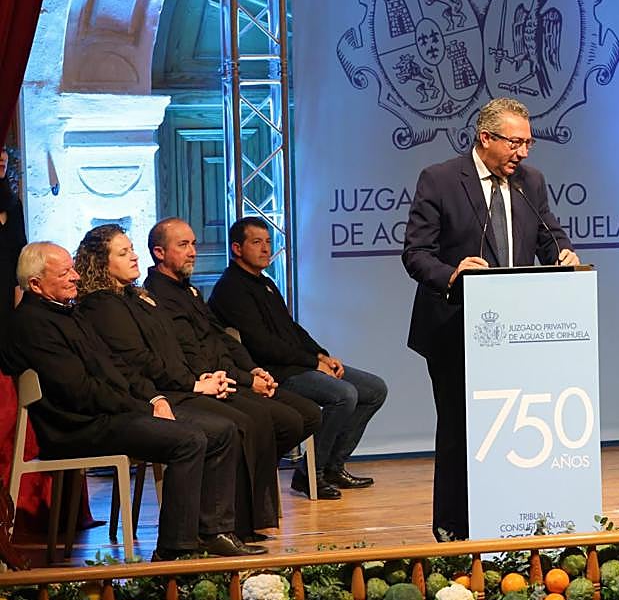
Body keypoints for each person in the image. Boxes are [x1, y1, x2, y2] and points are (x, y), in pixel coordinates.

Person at [0, 243, 264, 559]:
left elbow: (115, 367)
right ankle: (174, 550)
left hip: (109, 414)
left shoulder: (67, 312)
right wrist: (144, 408)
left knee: (222, 430)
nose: (75, 277)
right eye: (65, 272)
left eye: (73, 268)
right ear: (36, 284)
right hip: (75, 427)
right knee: (189, 440)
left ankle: (213, 532)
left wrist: (155, 398)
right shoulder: (32, 324)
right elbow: (79, 391)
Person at [403, 97, 579, 540]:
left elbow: (547, 232)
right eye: (515, 143)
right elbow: (416, 254)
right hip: (454, 325)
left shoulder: (530, 182)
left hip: (517, 331)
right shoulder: (441, 180)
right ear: (486, 138)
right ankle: (452, 525)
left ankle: (510, 514)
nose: (522, 153)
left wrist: (561, 255)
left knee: (512, 426)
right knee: (460, 427)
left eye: (528, 143)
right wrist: (453, 274)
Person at [73, 224, 281, 538]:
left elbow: (174, 348)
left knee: (252, 418)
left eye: (131, 249)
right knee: (230, 426)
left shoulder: (134, 297)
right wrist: (194, 384)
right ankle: (215, 530)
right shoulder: (102, 305)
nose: (134, 257)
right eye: (123, 252)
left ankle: (234, 526)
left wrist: (206, 377)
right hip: (152, 396)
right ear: (102, 262)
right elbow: (137, 360)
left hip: (176, 386)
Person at [208, 216, 388, 500]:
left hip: (297, 363)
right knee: (344, 394)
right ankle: (308, 474)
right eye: (256, 243)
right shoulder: (230, 289)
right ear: (237, 249)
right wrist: (312, 363)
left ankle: (332, 466)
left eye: (268, 242)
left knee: (374, 389)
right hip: (271, 372)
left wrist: (321, 355)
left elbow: (290, 328)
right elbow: (262, 345)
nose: (266, 249)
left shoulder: (265, 283)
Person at [143, 218, 321, 467]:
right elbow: (195, 357)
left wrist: (253, 370)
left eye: (194, 244)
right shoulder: (158, 297)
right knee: (278, 421)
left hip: (233, 376)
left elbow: (223, 337)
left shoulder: (189, 290)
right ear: (159, 252)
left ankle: (249, 475)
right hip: (208, 385)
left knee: (309, 414)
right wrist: (247, 380)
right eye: (183, 245)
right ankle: (244, 481)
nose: (193, 252)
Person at [0, 148, 26, 328]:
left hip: (8, 297)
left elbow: (19, 255)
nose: (2, 156)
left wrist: (20, 301)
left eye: (2, 150)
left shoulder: (13, 204)